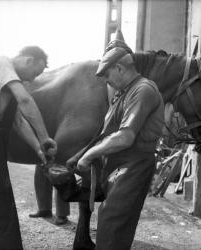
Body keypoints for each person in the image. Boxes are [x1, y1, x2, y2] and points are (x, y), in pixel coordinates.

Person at [0, 46, 57, 250]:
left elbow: (19, 122)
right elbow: (25, 99)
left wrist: (39, 149)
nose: (32, 80)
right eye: (35, 73)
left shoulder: (6, 87)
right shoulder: (0, 62)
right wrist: (44, 137)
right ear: (28, 60)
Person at [77, 45, 164, 249]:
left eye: (107, 74)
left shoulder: (143, 90)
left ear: (119, 68)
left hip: (134, 164)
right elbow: (108, 132)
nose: (106, 80)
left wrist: (89, 155)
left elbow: (125, 137)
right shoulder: (124, 92)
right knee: (111, 219)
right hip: (120, 164)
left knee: (113, 220)